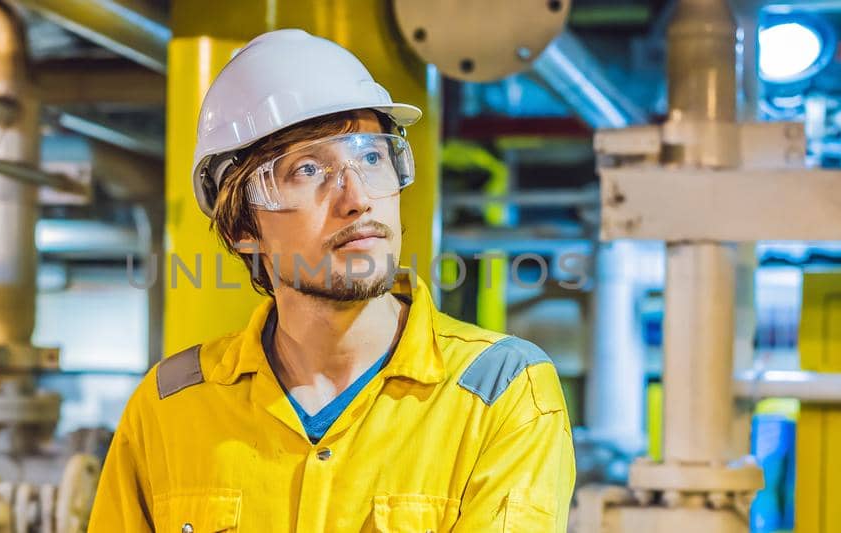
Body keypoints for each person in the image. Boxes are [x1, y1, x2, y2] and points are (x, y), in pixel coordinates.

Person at [89, 28, 575, 532]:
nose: (357, 196)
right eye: (306, 170)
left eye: (371, 157)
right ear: (240, 228)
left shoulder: (500, 393)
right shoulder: (171, 408)